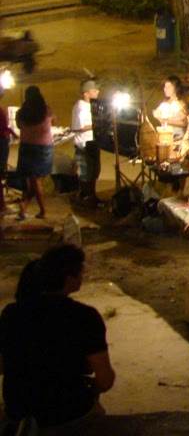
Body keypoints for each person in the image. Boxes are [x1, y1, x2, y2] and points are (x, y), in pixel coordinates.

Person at [0, 244, 116, 431]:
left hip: (19, 409)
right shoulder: (84, 316)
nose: (82, 276)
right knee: (96, 414)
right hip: (67, 411)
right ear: (69, 278)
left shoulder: (11, 313)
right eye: (80, 271)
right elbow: (105, 380)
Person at [14, 85, 54, 220]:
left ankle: (24, 206)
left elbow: (19, 125)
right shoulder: (46, 110)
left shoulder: (21, 112)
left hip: (27, 147)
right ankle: (42, 210)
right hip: (43, 148)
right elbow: (53, 121)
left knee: (32, 181)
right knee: (37, 182)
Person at [71, 79, 101, 203]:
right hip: (84, 144)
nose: (97, 92)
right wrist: (98, 124)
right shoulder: (80, 107)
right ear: (86, 93)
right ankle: (84, 198)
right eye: (94, 90)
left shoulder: (92, 106)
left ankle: (92, 196)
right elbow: (80, 126)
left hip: (93, 143)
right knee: (86, 173)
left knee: (94, 172)